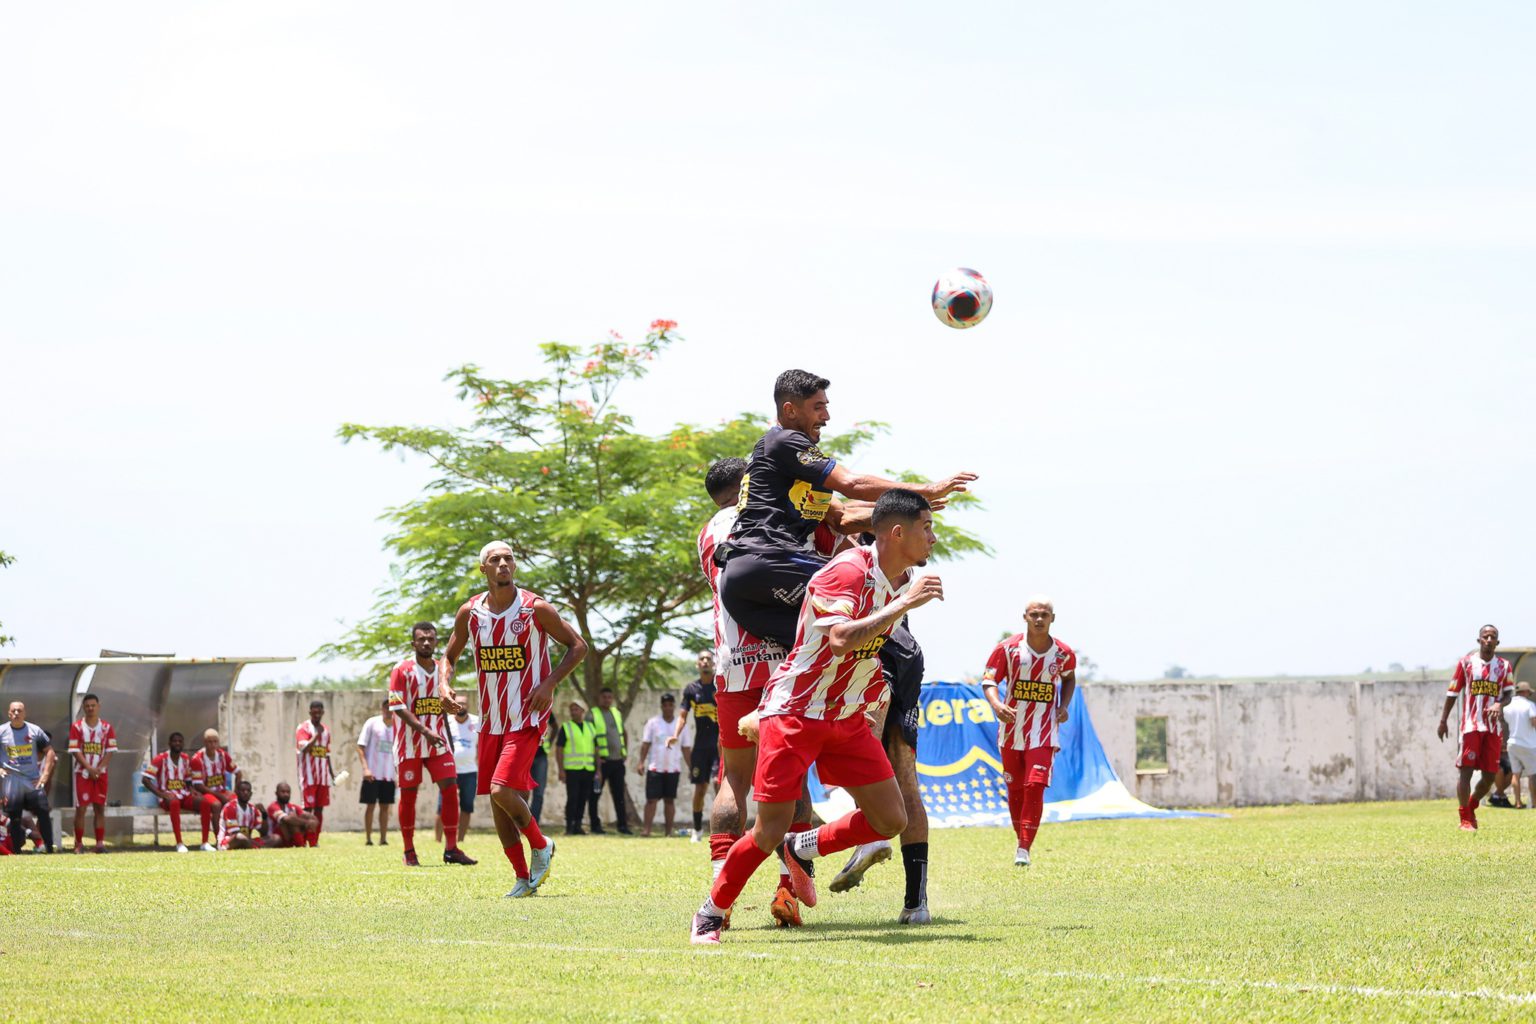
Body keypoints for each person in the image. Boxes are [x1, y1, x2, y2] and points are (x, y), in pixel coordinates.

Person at [692, 489, 944, 944]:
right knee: (767, 830)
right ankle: (711, 911)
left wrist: (872, 698)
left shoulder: (898, 580)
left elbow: (866, 654)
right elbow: (841, 639)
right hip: (795, 712)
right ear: (897, 532)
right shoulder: (848, 570)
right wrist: (904, 605)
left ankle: (802, 846)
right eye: (926, 527)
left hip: (844, 717)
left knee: (891, 820)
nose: (933, 537)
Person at [717, 368, 974, 651]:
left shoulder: (789, 471)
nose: (826, 417)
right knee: (882, 632)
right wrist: (926, 490)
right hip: (771, 560)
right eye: (818, 407)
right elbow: (852, 484)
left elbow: (844, 517)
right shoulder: (785, 440)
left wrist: (904, 512)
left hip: (741, 585)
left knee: (828, 654)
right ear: (790, 410)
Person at [697, 456, 813, 926]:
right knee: (794, 776)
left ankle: (720, 892)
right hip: (781, 665)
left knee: (734, 780)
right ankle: (788, 889)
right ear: (748, 483)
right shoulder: (772, 514)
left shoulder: (707, 533)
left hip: (732, 667)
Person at [443, 540, 588, 897]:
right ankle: (523, 878)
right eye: (495, 559)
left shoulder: (534, 608)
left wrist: (549, 683)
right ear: (484, 569)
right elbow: (450, 656)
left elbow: (578, 646)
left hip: (526, 717)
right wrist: (444, 684)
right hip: (490, 720)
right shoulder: (470, 613)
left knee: (501, 789)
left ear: (515, 565)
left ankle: (541, 844)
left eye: (508, 558)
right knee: (498, 803)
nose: (503, 564)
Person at [828, 612, 933, 923]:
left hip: (873, 648)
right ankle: (917, 905)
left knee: (861, 750)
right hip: (905, 648)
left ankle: (871, 837)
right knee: (906, 778)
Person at [981, 598, 1077, 867]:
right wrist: (997, 704)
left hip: (1044, 732)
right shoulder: (1007, 648)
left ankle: (1024, 848)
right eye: (1034, 614)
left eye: (1044, 614)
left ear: (1052, 618)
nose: (1039, 619)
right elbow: (989, 680)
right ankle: (1020, 839)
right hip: (1012, 731)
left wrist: (1063, 706)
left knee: (1034, 785)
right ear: (1025, 617)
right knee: (1016, 790)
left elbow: (1069, 677)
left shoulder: (1063, 653)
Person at [389, 621, 476, 866]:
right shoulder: (401, 669)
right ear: (413, 643)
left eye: (430, 639)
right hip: (410, 743)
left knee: (450, 789)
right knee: (409, 795)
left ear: (436, 642)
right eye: (421, 639)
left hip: (438, 742)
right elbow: (397, 706)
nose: (426, 643)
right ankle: (409, 851)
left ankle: (451, 849)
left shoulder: (442, 670)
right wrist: (425, 731)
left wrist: (447, 732)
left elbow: (443, 704)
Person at [1438, 624, 1515, 830]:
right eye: (1485, 636)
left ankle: (1471, 805)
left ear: (1497, 642)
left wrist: (1499, 704)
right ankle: (1464, 818)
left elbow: (1509, 694)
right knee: (1466, 771)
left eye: (1493, 637)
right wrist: (1443, 721)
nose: (1489, 640)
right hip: (1471, 726)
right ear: (1479, 640)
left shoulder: (1504, 666)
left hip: (1493, 729)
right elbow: (1453, 692)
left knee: (1489, 777)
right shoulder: (1466, 663)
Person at [671, 651, 719, 842]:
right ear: (697, 664)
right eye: (702, 659)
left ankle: (722, 829)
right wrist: (675, 735)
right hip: (700, 747)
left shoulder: (720, 685)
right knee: (700, 789)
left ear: (713, 663)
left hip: (719, 746)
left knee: (718, 784)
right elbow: (682, 717)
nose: (705, 661)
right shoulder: (691, 689)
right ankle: (697, 830)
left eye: (708, 659)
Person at [2, 700, 58, 855]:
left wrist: (44, 776)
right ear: (9, 713)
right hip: (12, 782)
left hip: (32, 781)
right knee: (14, 817)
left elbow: (50, 752)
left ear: (24, 713)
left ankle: (49, 848)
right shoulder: (2, 731)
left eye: (19, 710)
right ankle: (17, 852)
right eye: (13, 711)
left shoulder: (35, 730)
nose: (16, 713)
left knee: (43, 810)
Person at [68, 692, 116, 853]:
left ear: (98, 706)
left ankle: (100, 844)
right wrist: (89, 768)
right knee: (81, 808)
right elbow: (75, 750)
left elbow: (110, 750)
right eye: (87, 706)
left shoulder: (107, 727)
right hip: (82, 773)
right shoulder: (77, 727)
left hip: (101, 774)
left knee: (100, 808)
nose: (90, 708)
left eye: (93, 705)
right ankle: (78, 844)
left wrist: (99, 769)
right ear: (83, 707)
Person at [640, 693, 689, 837]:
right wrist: (641, 762)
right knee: (651, 800)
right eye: (665, 705)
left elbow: (686, 748)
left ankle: (668, 832)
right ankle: (646, 830)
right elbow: (645, 744)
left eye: (670, 705)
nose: (668, 708)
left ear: (674, 706)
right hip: (655, 767)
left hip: (673, 768)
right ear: (661, 706)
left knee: (669, 800)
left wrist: (691, 767)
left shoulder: (681, 725)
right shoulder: (653, 723)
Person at [141, 731, 197, 853]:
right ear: (169, 743)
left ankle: (205, 842)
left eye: (180, 741)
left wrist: (192, 790)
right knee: (174, 802)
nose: (177, 743)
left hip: (183, 794)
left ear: (183, 744)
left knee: (205, 802)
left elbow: (188, 779)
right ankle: (179, 843)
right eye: (175, 741)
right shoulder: (160, 759)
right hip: (167, 798)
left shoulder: (186, 759)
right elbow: (145, 779)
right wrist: (161, 794)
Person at [189, 728, 241, 852]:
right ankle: (220, 840)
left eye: (215, 742)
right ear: (204, 743)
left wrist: (235, 792)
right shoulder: (197, 759)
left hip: (221, 790)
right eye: (209, 742)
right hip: (205, 793)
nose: (212, 745)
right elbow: (198, 785)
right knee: (216, 805)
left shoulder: (223, 755)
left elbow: (238, 773)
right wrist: (220, 796)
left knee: (236, 802)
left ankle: (237, 837)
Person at [356, 697, 397, 846]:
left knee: (385, 807)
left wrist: (397, 773)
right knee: (370, 806)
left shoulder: (398, 726)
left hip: (388, 775)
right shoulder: (372, 723)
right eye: (386, 707)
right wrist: (365, 768)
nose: (388, 710)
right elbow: (361, 746)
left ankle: (383, 838)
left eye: (391, 707)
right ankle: (368, 838)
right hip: (372, 774)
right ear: (382, 708)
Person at [590, 688, 631, 835]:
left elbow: (623, 732)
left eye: (609, 697)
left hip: (617, 761)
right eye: (604, 697)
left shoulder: (616, 713)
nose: (607, 700)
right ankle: (595, 826)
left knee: (619, 795)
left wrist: (624, 752)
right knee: (595, 794)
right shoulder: (592, 714)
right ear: (599, 698)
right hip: (602, 763)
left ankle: (623, 826)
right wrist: (596, 760)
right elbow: (590, 738)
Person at [437, 706, 481, 844]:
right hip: (449, 770)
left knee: (467, 806)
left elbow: (481, 744)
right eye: (458, 703)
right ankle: (438, 840)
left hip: (470, 771)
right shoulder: (446, 721)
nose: (461, 706)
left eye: (464, 703)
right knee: (443, 806)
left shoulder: (477, 721)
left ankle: (460, 839)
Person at [556, 702, 598, 835]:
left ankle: (578, 826)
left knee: (583, 798)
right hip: (572, 769)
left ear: (583, 711)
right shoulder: (566, 727)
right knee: (572, 798)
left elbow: (596, 749)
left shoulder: (591, 727)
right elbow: (559, 749)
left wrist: (598, 769)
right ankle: (569, 827)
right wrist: (561, 770)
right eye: (572, 710)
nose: (573, 712)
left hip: (588, 768)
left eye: (576, 709)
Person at [295, 701, 333, 846]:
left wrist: (332, 774)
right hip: (308, 777)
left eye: (319, 712)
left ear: (323, 712)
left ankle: (314, 840)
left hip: (323, 777)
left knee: (319, 809)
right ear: (310, 712)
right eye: (314, 712)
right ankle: (303, 840)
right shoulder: (303, 728)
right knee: (307, 809)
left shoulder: (326, 730)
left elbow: (326, 754)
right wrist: (316, 736)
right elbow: (304, 749)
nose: (317, 715)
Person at [1502, 682, 1536, 809]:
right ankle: (1534, 802)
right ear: (1525, 692)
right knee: (1532, 775)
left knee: (1516, 774)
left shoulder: (1507, 707)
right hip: (1529, 744)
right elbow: (1533, 722)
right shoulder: (1530, 705)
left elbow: (1506, 721)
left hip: (1513, 743)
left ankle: (1517, 802)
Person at [217, 780, 266, 850]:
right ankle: (256, 847)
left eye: (248, 791)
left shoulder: (253, 809)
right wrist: (255, 843)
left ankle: (254, 846)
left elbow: (264, 832)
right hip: (229, 840)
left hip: (247, 840)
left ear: (251, 794)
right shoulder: (230, 807)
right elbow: (234, 833)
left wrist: (264, 815)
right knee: (239, 836)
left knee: (275, 838)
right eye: (243, 791)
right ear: (236, 792)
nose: (246, 793)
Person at [267, 782, 319, 848]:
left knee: (302, 819)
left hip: (289, 837)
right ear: (276, 793)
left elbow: (312, 818)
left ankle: (313, 844)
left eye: (288, 792)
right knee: (291, 821)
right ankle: (300, 845)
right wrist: (306, 822)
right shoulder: (273, 807)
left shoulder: (292, 807)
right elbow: (287, 819)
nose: (286, 794)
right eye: (283, 792)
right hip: (276, 839)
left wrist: (311, 821)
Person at [529, 717, 550, 825]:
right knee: (521, 791)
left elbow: (555, 726)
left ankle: (534, 823)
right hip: (524, 756)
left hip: (541, 757)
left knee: (539, 792)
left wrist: (549, 743)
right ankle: (523, 821)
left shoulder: (545, 710)